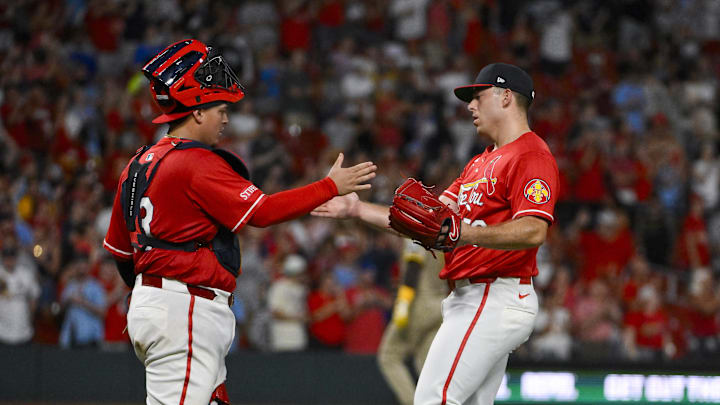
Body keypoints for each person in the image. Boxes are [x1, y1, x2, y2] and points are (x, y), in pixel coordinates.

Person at [102, 39, 376, 405]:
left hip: (162, 302)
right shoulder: (195, 161)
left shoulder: (137, 164)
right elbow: (262, 212)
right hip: (183, 308)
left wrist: (149, 297)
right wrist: (329, 186)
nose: (226, 118)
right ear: (197, 111)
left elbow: (122, 253)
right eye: (219, 108)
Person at [313, 62, 559, 404]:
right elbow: (423, 223)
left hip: (493, 294)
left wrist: (464, 233)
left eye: (478, 96)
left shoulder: (531, 154)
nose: (471, 106)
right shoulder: (478, 163)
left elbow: (533, 230)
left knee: (433, 398)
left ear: (505, 97)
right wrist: (356, 209)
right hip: (473, 297)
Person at [377, 239, 447, 405]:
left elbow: (413, 267)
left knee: (389, 356)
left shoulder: (416, 229)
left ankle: (411, 402)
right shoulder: (442, 231)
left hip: (418, 304)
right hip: (440, 304)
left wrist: (403, 302)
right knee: (425, 361)